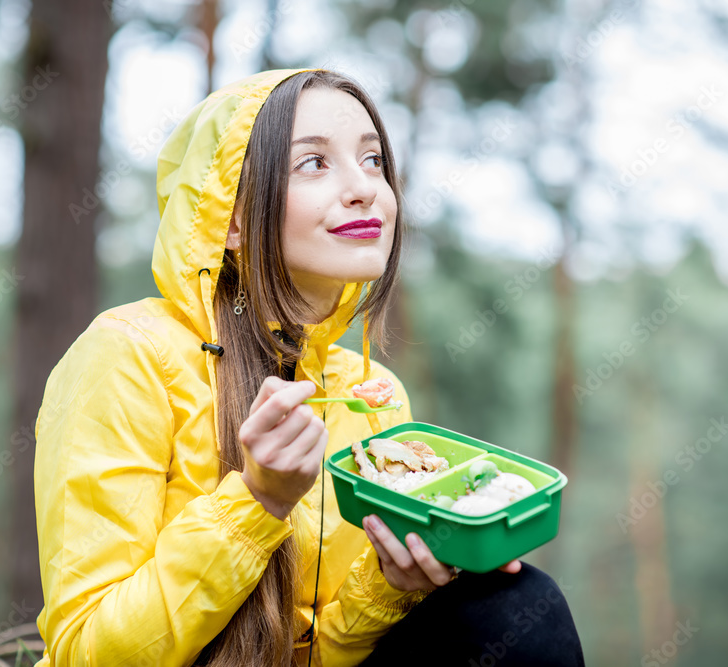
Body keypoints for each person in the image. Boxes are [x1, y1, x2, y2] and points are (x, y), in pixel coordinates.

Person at [32, 67, 585, 667]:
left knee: (517, 601)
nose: (364, 189)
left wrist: (393, 585)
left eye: (373, 161)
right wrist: (256, 501)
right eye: (315, 164)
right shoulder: (128, 356)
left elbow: (322, 655)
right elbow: (86, 653)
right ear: (233, 218)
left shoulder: (370, 394)